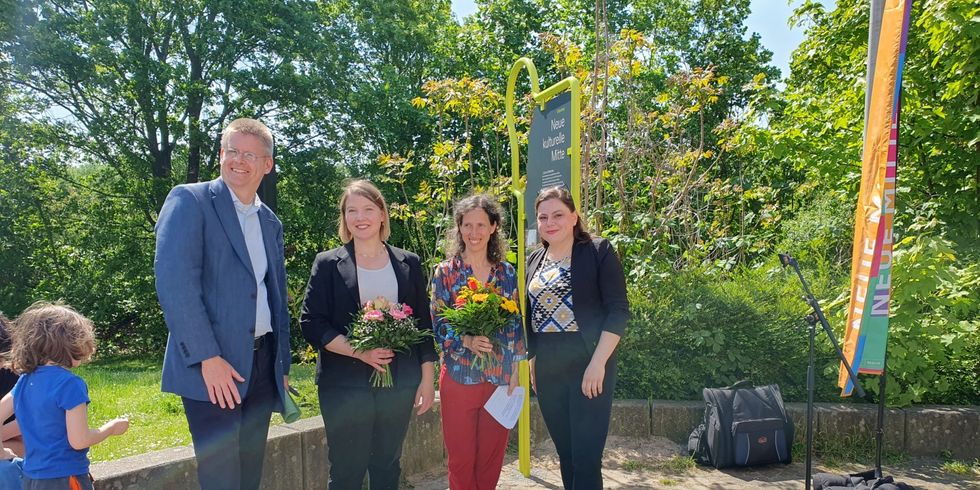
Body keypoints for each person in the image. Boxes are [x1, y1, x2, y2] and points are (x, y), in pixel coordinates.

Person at [155, 118, 292, 490]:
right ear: (220, 155)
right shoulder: (191, 200)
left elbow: (276, 297)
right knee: (222, 479)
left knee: (249, 475)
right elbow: (175, 286)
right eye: (231, 151)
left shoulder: (269, 221)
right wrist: (207, 359)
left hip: (261, 365)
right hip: (213, 369)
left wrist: (281, 364)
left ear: (267, 164)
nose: (238, 160)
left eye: (249, 154)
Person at [300, 179, 437, 490]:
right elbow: (311, 322)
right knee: (348, 468)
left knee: (387, 464)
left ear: (382, 215)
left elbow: (423, 327)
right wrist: (358, 351)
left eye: (367, 209)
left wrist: (427, 380)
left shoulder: (408, 263)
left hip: (399, 382)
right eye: (352, 211)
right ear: (344, 217)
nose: (360, 217)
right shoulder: (327, 264)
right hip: (343, 385)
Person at [526, 186, 630, 490]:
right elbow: (532, 317)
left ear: (574, 217)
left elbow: (618, 311)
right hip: (547, 367)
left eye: (558, 214)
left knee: (586, 458)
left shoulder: (598, 251)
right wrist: (533, 360)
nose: (550, 222)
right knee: (567, 454)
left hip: (589, 361)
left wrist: (598, 363)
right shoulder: (535, 260)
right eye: (543, 217)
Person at [430, 194, 526, 490]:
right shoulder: (445, 273)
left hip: (499, 378)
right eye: (467, 225)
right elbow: (438, 322)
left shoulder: (506, 273)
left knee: (491, 458)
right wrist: (467, 340)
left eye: (481, 225)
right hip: (459, 377)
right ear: (458, 228)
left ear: (494, 227)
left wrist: (516, 368)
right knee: (460, 459)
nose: (474, 233)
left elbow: (515, 324)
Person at [0, 302, 129, 490]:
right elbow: (79, 440)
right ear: (73, 343)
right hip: (66, 478)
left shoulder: (24, 381)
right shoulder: (70, 385)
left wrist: (2, 452)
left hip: (31, 479)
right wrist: (111, 428)